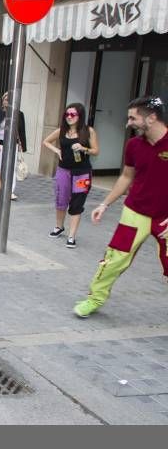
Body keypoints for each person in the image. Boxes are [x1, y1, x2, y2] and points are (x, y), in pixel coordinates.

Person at [73, 96, 168, 318]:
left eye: (133, 118)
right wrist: (104, 204)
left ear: (152, 118)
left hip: (165, 217)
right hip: (135, 211)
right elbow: (126, 177)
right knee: (114, 259)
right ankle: (94, 299)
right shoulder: (133, 145)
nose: (129, 123)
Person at [42, 103, 99, 248]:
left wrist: (84, 148)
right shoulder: (62, 130)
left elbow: (96, 151)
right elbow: (46, 141)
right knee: (61, 199)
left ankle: (72, 235)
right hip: (63, 171)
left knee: (77, 203)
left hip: (82, 173)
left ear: (80, 116)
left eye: (73, 114)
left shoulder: (88, 131)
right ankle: (59, 226)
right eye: (67, 114)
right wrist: (57, 150)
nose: (69, 117)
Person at [0, 91, 27, 201]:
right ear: (3, 100)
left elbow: (21, 131)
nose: (7, 101)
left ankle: (10, 191)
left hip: (13, 144)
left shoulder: (19, 114)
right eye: (6, 99)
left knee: (12, 168)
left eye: (10, 99)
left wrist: (21, 145)